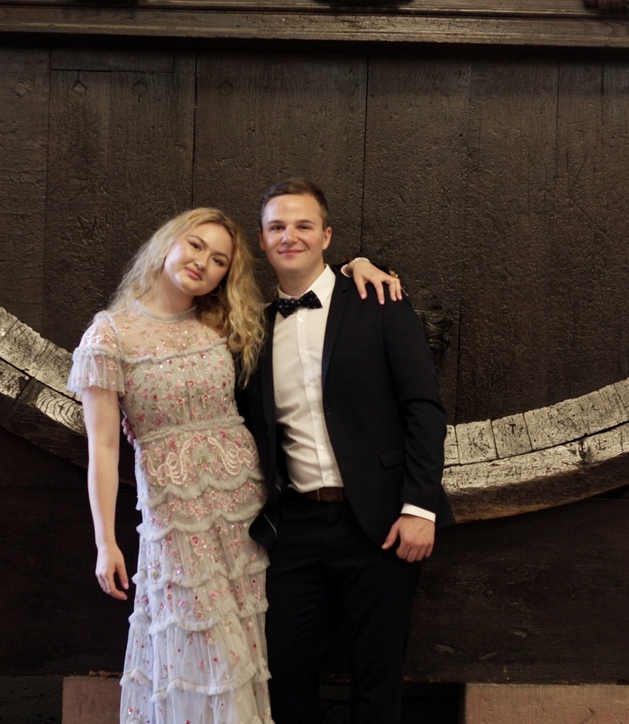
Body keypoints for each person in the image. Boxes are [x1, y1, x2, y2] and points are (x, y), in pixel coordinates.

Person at [68, 207, 397, 724]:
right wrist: (105, 541)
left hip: (248, 518)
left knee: (256, 655)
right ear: (168, 243)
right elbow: (104, 449)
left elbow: (309, 308)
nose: (204, 263)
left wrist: (357, 265)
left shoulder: (226, 323)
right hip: (178, 520)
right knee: (202, 652)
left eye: (219, 260)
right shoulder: (109, 336)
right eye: (196, 245)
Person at [237, 179, 454, 723]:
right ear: (262, 240)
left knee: (377, 682)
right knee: (285, 677)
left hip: (381, 524)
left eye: (303, 225)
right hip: (294, 529)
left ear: (326, 235)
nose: (290, 236)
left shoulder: (379, 300)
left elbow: (424, 408)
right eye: (277, 227)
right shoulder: (253, 329)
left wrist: (420, 507)